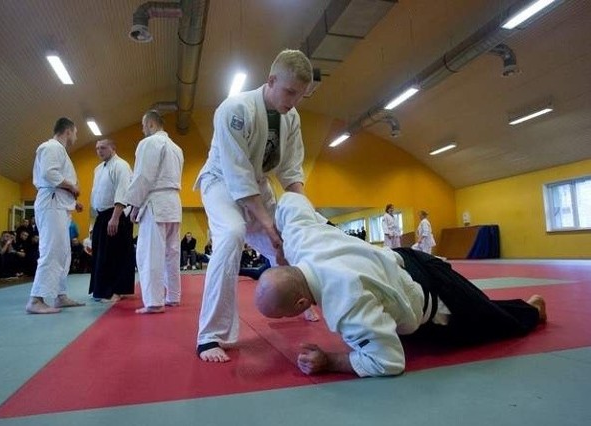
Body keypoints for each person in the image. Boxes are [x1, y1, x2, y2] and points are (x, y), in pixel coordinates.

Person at [254, 192, 547, 377]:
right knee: (479, 307)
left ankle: (533, 311)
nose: (282, 321)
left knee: (489, 324)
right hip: (406, 262)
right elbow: (291, 200)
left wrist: (330, 361)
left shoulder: (346, 304)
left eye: (281, 315)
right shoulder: (300, 240)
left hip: (437, 299)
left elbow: (389, 362)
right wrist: (276, 238)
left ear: (301, 304)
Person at [194, 49, 319, 363]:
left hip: (258, 183)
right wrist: (266, 224)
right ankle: (211, 336)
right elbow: (237, 174)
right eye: (289, 91)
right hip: (221, 181)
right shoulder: (234, 110)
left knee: (290, 241)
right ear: (271, 80)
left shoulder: (291, 117)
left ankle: (304, 301)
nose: (293, 101)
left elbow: (291, 172)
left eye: (300, 95)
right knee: (233, 233)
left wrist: (304, 215)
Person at [125, 110, 183, 314]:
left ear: (150, 124)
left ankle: (154, 302)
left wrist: (133, 205)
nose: (142, 130)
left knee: (150, 252)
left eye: (143, 126)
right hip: (174, 202)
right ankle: (173, 296)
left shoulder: (150, 143)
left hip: (155, 201)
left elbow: (143, 177)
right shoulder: (177, 148)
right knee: (172, 252)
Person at [26, 117, 85, 314]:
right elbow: (49, 174)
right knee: (51, 250)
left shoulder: (60, 151)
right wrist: (72, 186)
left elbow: (56, 179)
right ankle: (36, 300)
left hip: (58, 204)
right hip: (51, 203)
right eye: (75, 133)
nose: (76, 137)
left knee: (63, 253)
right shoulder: (50, 147)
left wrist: (72, 201)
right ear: (68, 131)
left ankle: (60, 295)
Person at [88, 139, 135, 302]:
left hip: (117, 214)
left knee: (116, 253)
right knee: (101, 254)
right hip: (101, 215)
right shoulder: (98, 169)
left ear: (113, 148)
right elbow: (96, 195)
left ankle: (117, 290)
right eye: (97, 148)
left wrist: (115, 217)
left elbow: (123, 191)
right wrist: (94, 220)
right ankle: (101, 289)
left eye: (103, 147)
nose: (99, 151)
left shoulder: (121, 165)